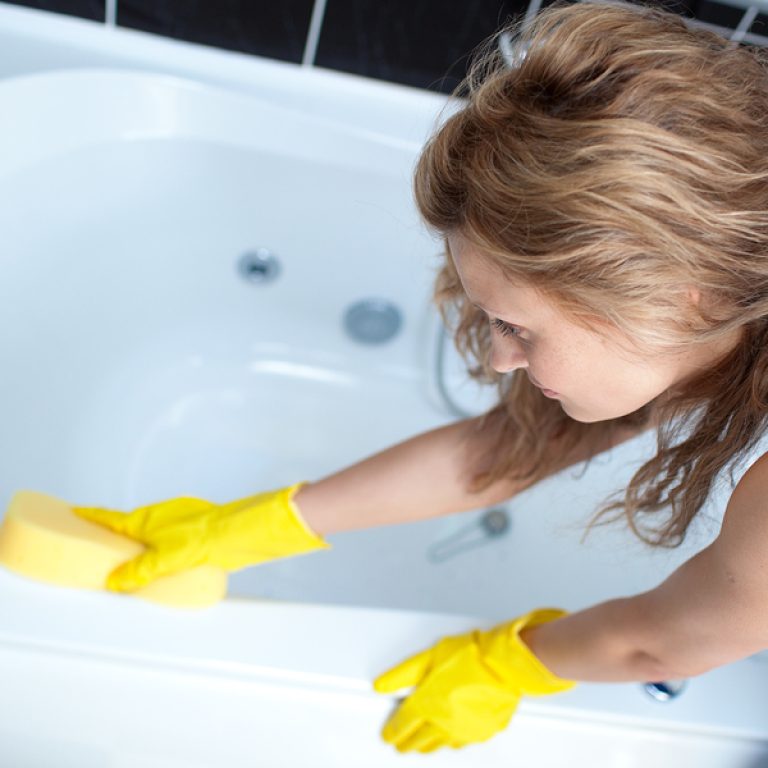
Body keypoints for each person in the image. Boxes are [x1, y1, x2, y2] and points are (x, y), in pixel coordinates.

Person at [73, 0, 768, 754]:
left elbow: (663, 643)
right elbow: (510, 447)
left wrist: (507, 664)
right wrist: (254, 525)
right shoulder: (700, 312)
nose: (501, 359)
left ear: (677, 298)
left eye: (520, 329)